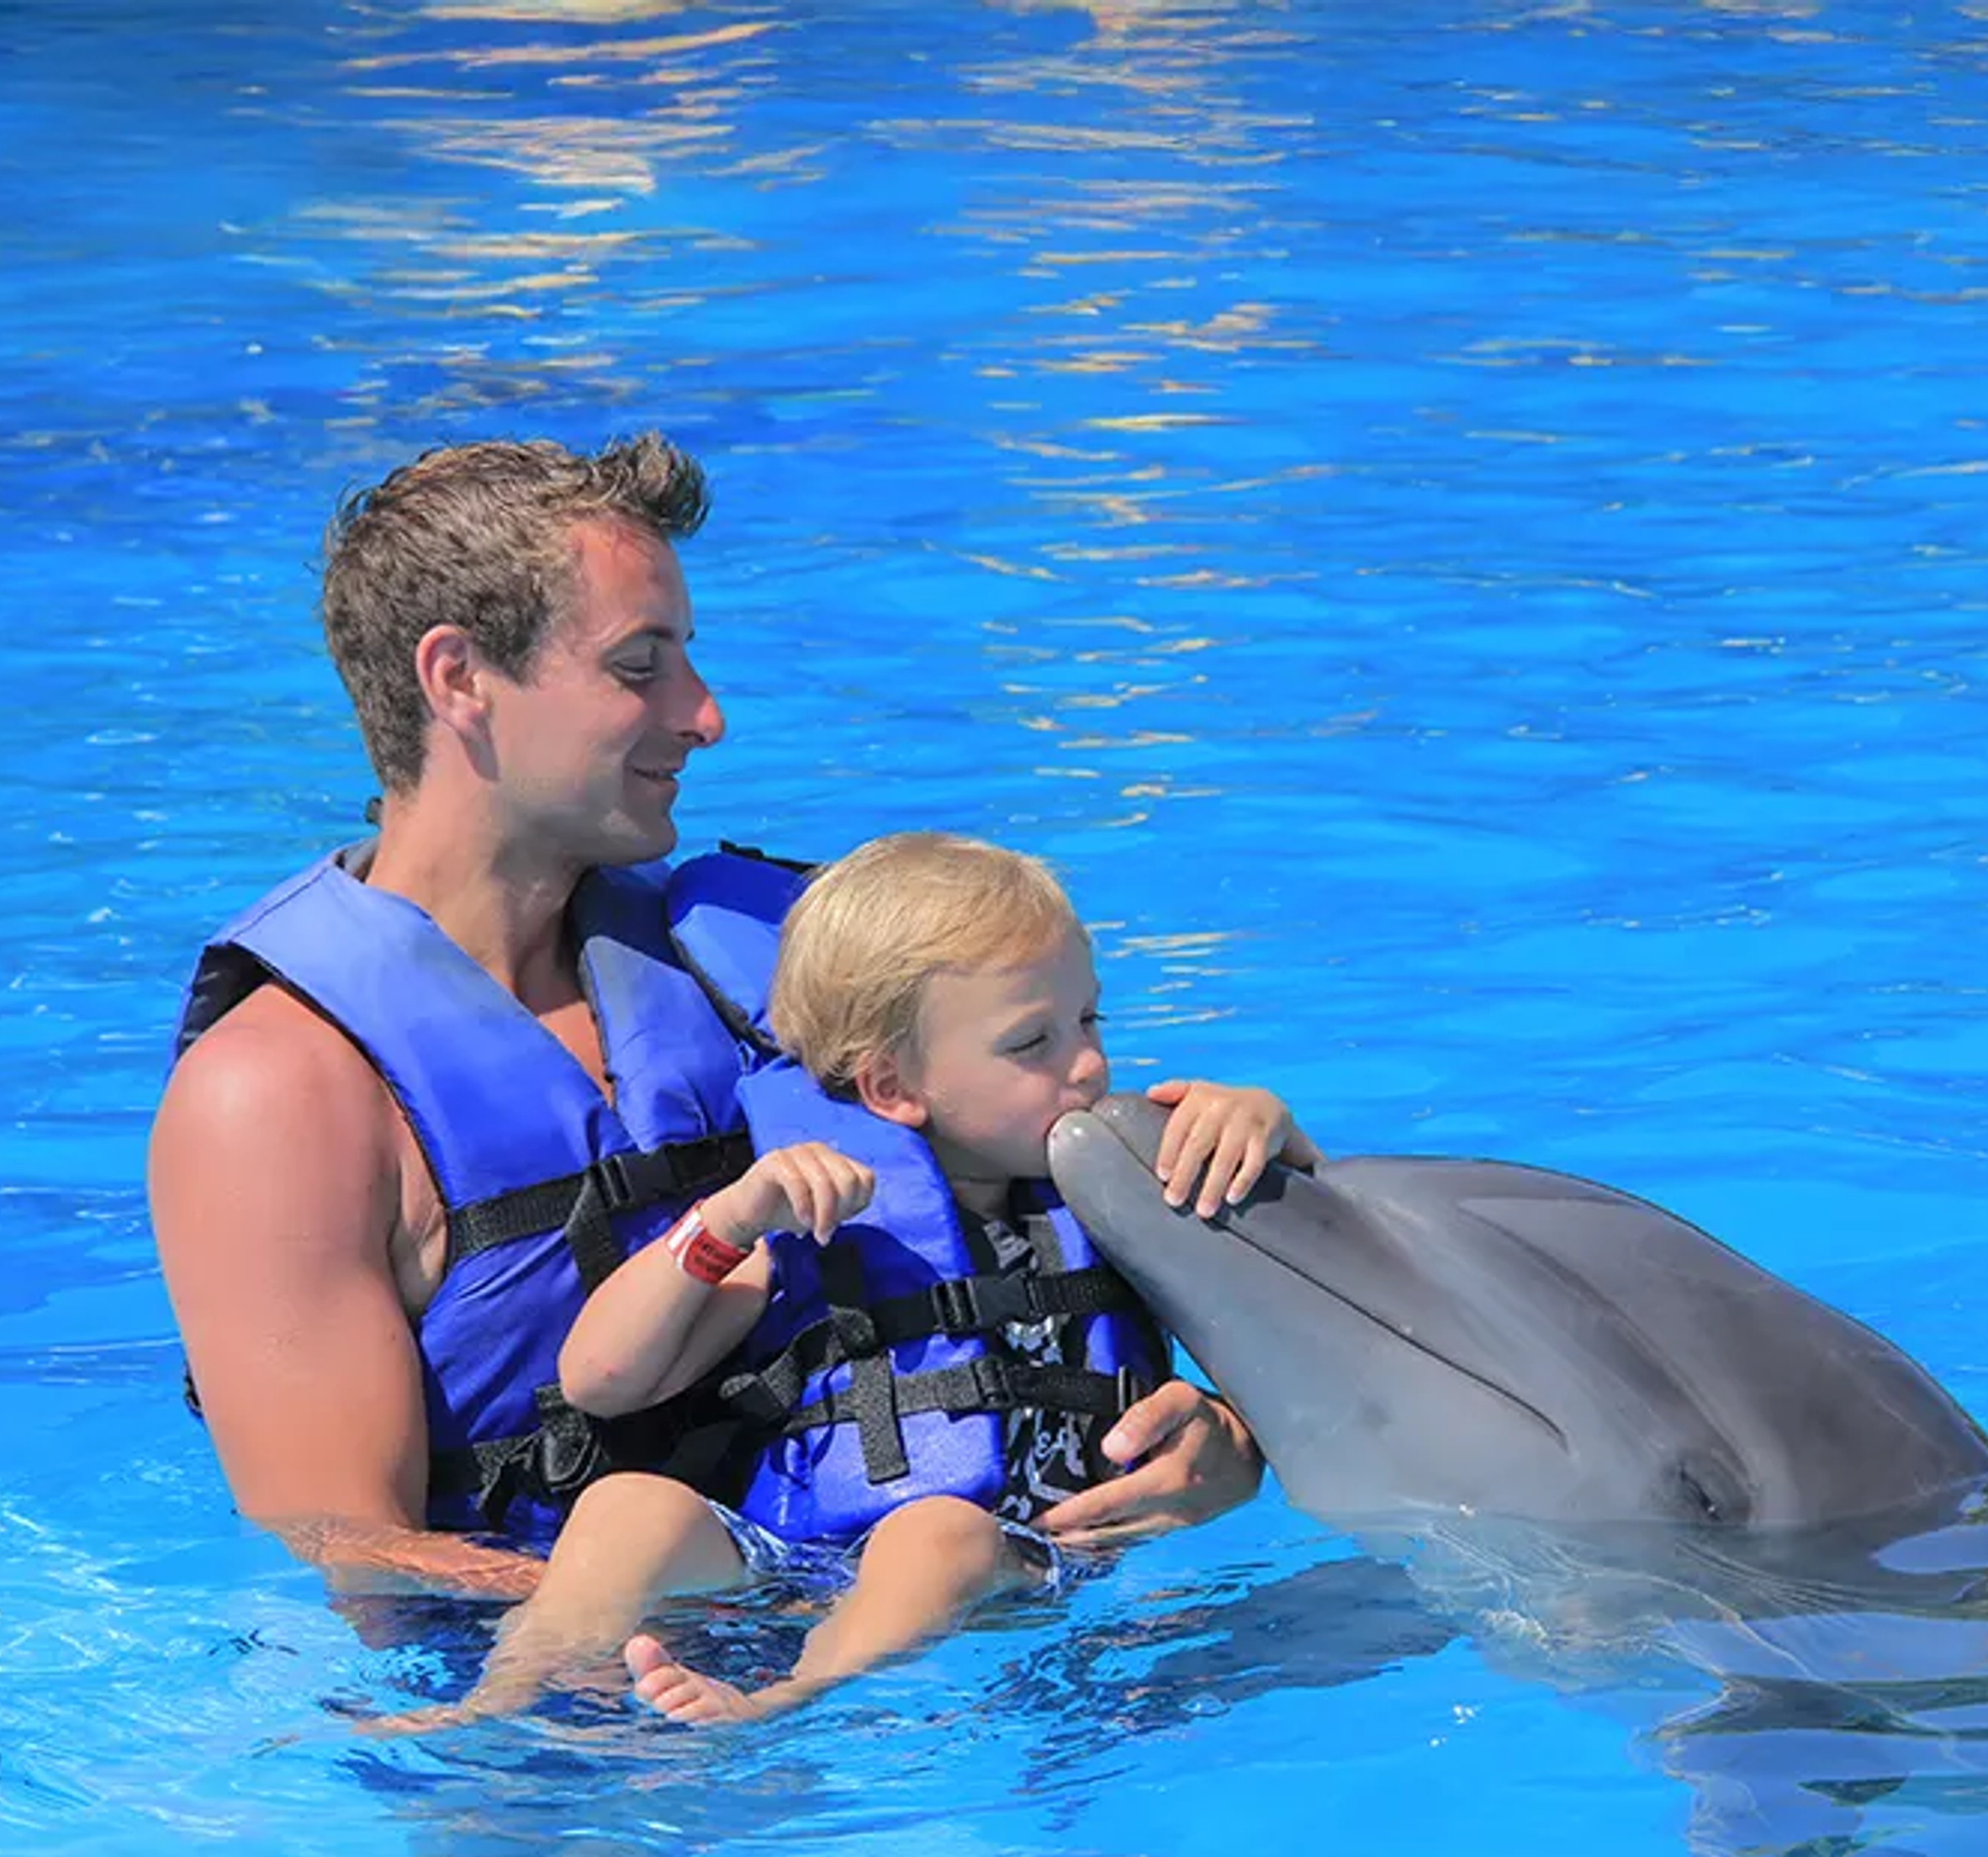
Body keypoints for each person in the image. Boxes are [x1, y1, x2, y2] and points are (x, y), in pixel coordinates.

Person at [145, 436, 1268, 1604]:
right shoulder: (279, 1093)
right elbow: (349, 1566)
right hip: (562, 1730)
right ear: (459, 679)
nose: (705, 715)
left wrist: (1226, 1437)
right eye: (642, 667)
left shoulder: (760, 961)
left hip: (904, 1621)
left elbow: (1056, 1154)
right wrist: (717, 1596)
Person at [403, 833, 1318, 1727]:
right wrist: (725, 1223)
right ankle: (504, 1693)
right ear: (891, 1088)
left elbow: (1334, 1318)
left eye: (1089, 1020)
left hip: (1023, 1555)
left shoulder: (1123, 1187)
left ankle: (777, 1702)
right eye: (1031, 1041)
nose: (1085, 1064)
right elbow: (600, 1379)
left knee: (934, 1532)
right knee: (623, 1507)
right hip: (798, 1565)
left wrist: (1267, 1132)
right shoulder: (814, 1217)